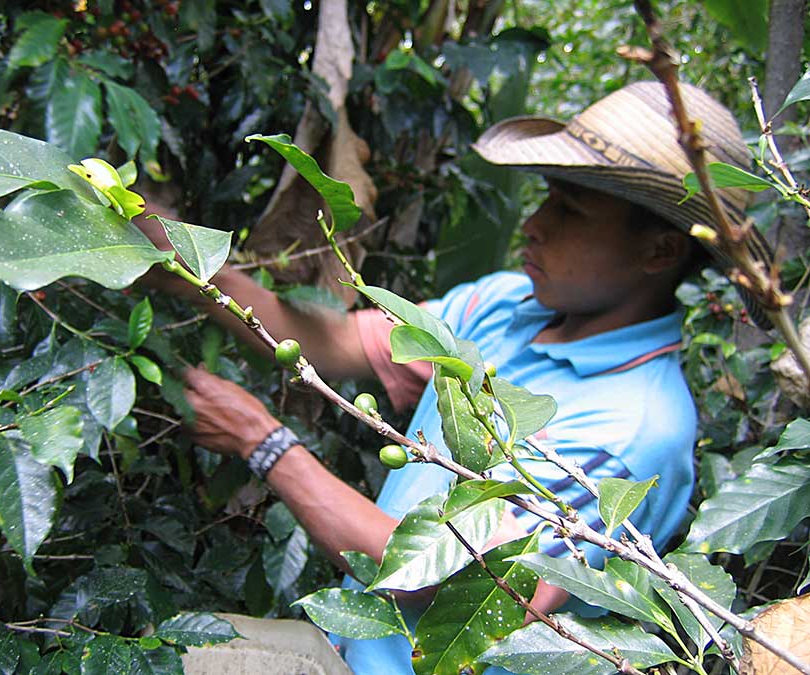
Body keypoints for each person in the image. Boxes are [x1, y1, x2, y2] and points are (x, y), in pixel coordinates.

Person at [145, 80, 763, 674]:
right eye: (546, 196)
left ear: (658, 252)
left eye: (569, 210)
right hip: (347, 647)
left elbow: (455, 581)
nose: (534, 224)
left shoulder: (634, 428)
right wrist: (184, 261)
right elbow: (330, 343)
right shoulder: (507, 305)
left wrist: (266, 444)